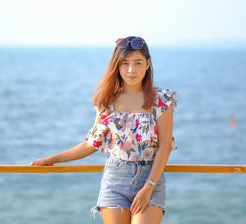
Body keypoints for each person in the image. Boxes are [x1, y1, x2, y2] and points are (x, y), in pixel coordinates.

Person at [29, 36, 179, 224]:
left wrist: (148, 187)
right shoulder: (107, 102)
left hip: (151, 178)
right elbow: (91, 144)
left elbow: (164, 147)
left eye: (138, 63)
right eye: (125, 63)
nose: (131, 70)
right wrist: (51, 159)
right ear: (117, 65)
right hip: (115, 179)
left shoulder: (161, 99)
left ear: (148, 64)